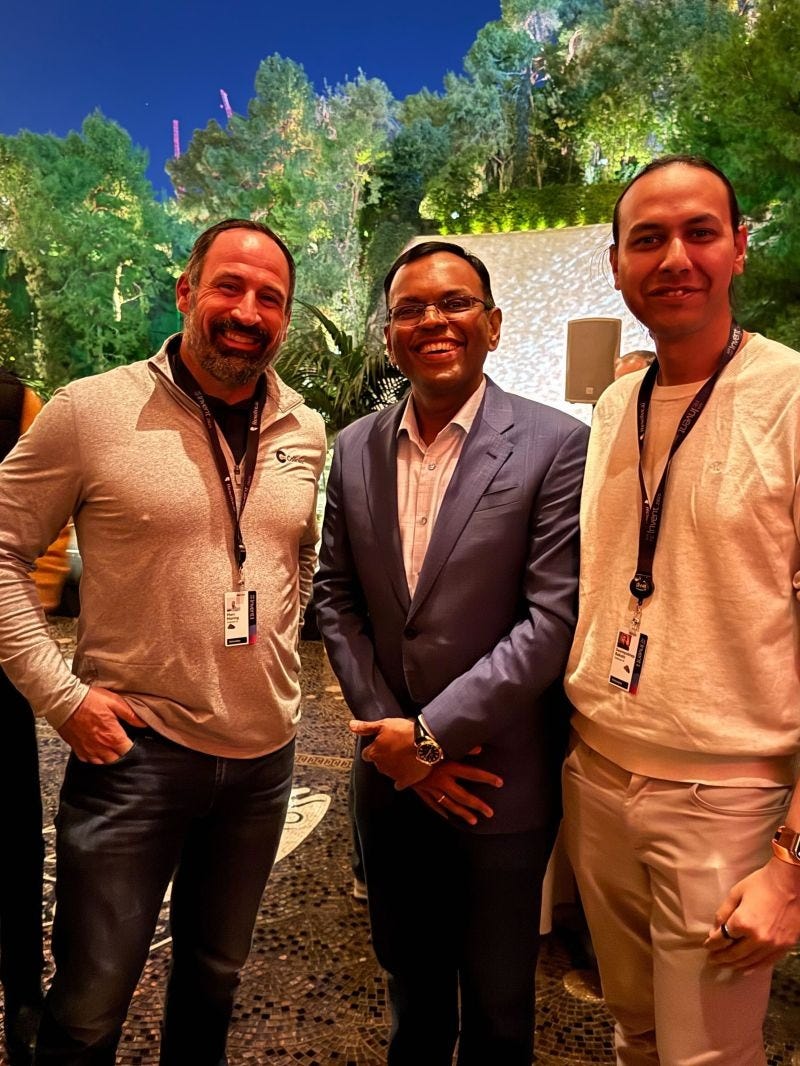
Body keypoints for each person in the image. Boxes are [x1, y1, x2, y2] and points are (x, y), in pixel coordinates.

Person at [0, 219, 326, 1066]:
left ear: (285, 317)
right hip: (132, 758)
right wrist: (60, 697)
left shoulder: (303, 427)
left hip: (264, 762)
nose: (247, 311)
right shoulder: (90, 411)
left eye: (270, 298)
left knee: (215, 979)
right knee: (89, 1005)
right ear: (186, 291)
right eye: (229, 286)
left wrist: (276, 668)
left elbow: (297, 555)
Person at [314, 240, 588, 1065]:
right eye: (410, 309)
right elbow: (336, 599)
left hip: (496, 783)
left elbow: (551, 618)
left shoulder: (555, 444)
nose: (432, 320)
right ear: (389, 336)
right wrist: (393, 741)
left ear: (492, 325)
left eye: (455, 302)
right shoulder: (354, 447)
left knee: (500, 1008)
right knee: (411, 993)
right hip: (389, 779)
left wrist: (430, 740)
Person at [563, 155, 800, 1065]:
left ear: (739, 247)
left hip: (726, 800)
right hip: (598, 776)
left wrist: (790, 866)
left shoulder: (788, 397)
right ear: (617, 264)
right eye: (648, 239)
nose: (674, 259)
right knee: (635, 1035)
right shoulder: (614, 405)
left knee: (707, 1058)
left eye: (699, 233)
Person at [0, 368, 68, 1066]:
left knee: (15, 837)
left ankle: (22, 990)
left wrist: (26, 612)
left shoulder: (15, 400)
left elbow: (39, 527)